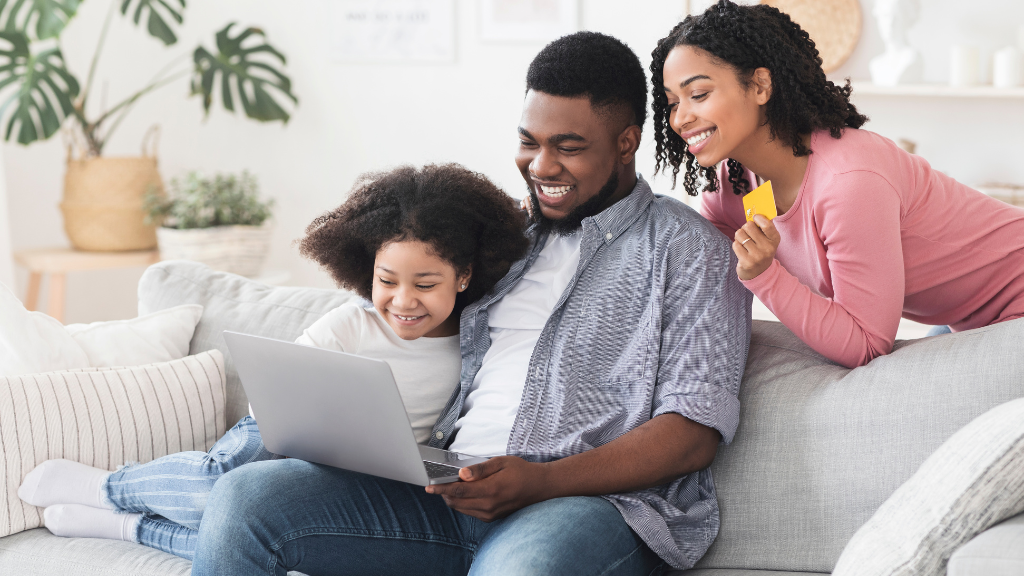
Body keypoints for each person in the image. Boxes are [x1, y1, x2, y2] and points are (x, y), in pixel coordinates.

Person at [187, 31, 750, 576]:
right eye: (530, 142)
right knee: (245, 498)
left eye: (569, 148)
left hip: (583, 505)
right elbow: (405, 297)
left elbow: (691, 434)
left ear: (626, 142)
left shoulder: (691, 251)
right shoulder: (500, 235)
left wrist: (538, 480)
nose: (541, 167)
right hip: (444, 489)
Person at [17, 163, 529, 560]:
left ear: (462, 276)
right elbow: (284, 385)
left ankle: (128, 527)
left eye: (425, 285)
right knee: (220, 485)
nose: (402, 301)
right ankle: (107, 487)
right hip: (279, 432)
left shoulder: (474, 342)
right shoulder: (350, 323)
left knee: (252, 538)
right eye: (386, 281)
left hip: (362, 474)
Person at [652, 0, 1024, 368]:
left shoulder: (849, 183)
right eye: (671, 103)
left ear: (760, 85)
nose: (680, 118)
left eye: (698, 94)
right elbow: (702, 281)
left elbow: (866, 344)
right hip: (961, 321)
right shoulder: (734, 185)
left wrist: (766, 276)